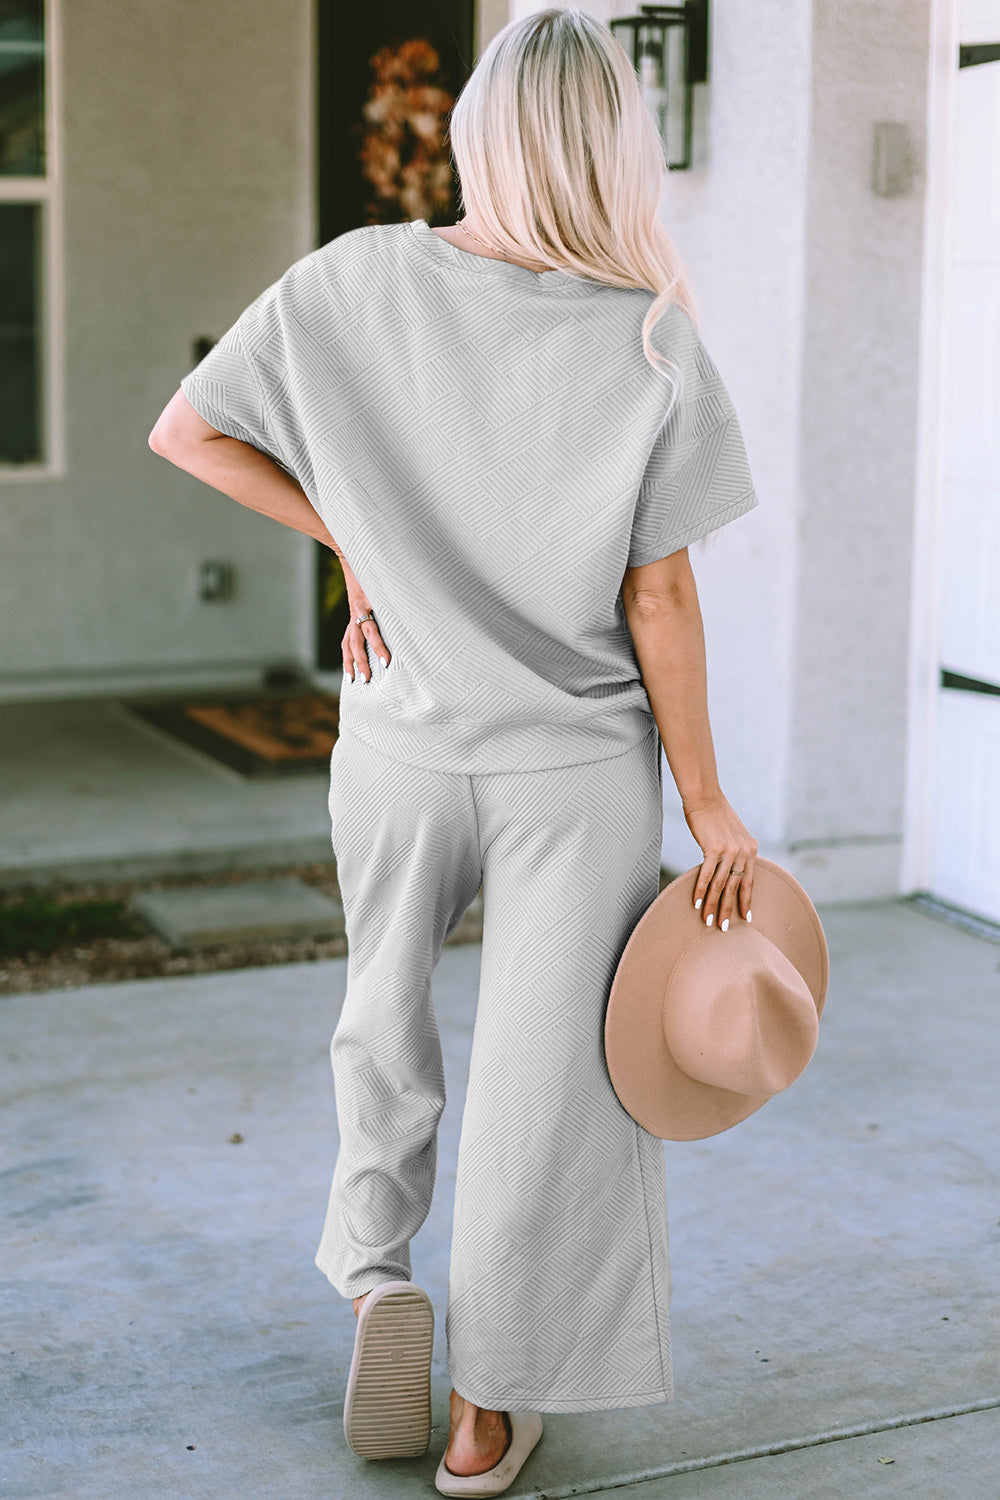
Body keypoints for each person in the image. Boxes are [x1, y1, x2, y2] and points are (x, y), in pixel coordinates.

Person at [149, 6, 760, 1492]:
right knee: (553, 1081)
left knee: (383, 1015)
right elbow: (659, 595)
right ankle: (491, 1405)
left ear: (476, 131)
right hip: (575, 768)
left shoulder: (355, 281)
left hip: (403, 737)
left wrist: (354, 529)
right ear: (612, 147)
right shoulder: (648, 335)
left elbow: (190, 432)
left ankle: (374, 1274)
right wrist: (711, 802)